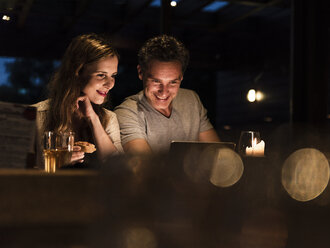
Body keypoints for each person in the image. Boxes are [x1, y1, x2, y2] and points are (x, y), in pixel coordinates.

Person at [114, 34, 219, 154]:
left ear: (182, 77)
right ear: (140, 72)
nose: (164, 92)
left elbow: (216, 152)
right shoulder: (127, 112)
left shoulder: (191, 100)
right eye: (156, 81)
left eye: (173, 82)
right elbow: (144, 165)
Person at [33, 33, 123, 167]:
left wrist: (93, 119)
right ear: (77, 72)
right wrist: (54, 163)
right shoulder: (36, 115)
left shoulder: (109, 118)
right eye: (101, 75)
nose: (110, 84)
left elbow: (119, 169)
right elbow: (17, 169)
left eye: (113, 75)